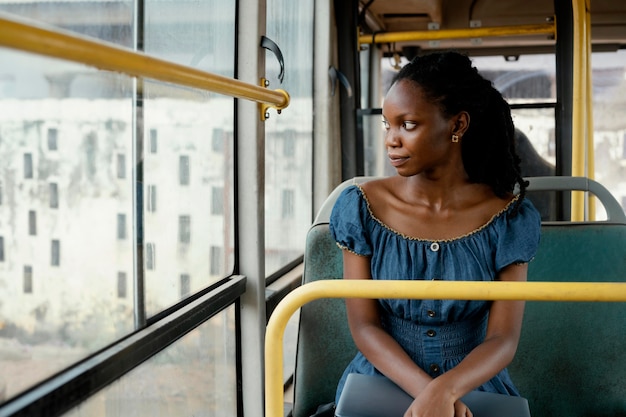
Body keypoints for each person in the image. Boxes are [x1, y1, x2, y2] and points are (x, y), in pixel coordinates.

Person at [329, 51, 541, 417]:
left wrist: (448, 389)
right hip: (381, 381)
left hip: (473, 387)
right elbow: (364, 327)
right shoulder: (361, 206)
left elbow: (502, 339)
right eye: (387, 125)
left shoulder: (508, 217)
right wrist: (430, 395)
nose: (391, 140)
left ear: (457, 125)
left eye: (408, 125)